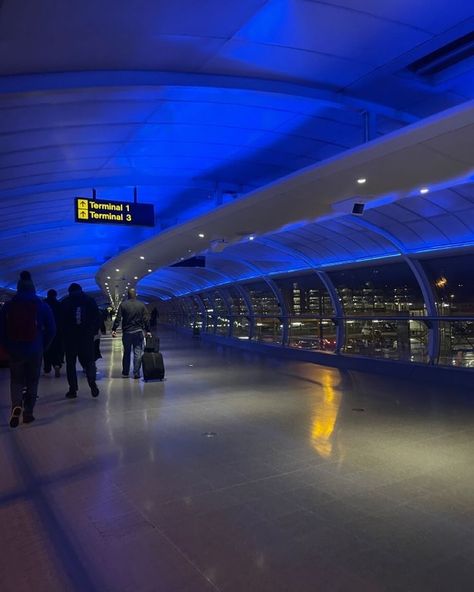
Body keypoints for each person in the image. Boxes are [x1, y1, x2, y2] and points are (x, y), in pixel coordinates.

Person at [0, 271, 55, 427]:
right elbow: (52, 329)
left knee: (16, 381)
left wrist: (7, 347)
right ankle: (28, 412)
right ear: (33, 289)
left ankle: (16, 404)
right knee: (32, 381)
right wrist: (43, 346)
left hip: (15, 350)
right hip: (35, 349)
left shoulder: (8, 307)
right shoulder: (42, 306)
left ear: (17, 288)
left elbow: (1, 330)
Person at [60, 283, 101, 399]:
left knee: (71, 365)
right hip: (86, 338)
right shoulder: (89, 300)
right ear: (81, 290)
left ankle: (73, 389)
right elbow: (97, 318)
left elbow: (60, 322)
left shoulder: (65, 302)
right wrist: (92, 332)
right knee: (89, 362)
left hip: (70, 339)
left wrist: (64, 335)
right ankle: (92, 382)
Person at [112, 288, 150, 379]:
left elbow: (118, 318)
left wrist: (114, 329)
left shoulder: (123, 305)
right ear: (135, 295)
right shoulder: (141, 305)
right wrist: (148, 330)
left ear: (127, 295)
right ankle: (136, 373)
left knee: (127, 353)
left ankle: (125, 372)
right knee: (138, 352)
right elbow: (146, 319)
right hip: (138, 331)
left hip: (127, 332)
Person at [43, 289, 63, 377]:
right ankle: (57, 364)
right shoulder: (59, 304)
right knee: (56, 349)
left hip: (45, 331)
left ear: (47, 295)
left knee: (46, 350)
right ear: (56, 295)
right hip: (57, 331)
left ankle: (47, 368)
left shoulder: (43, 304)